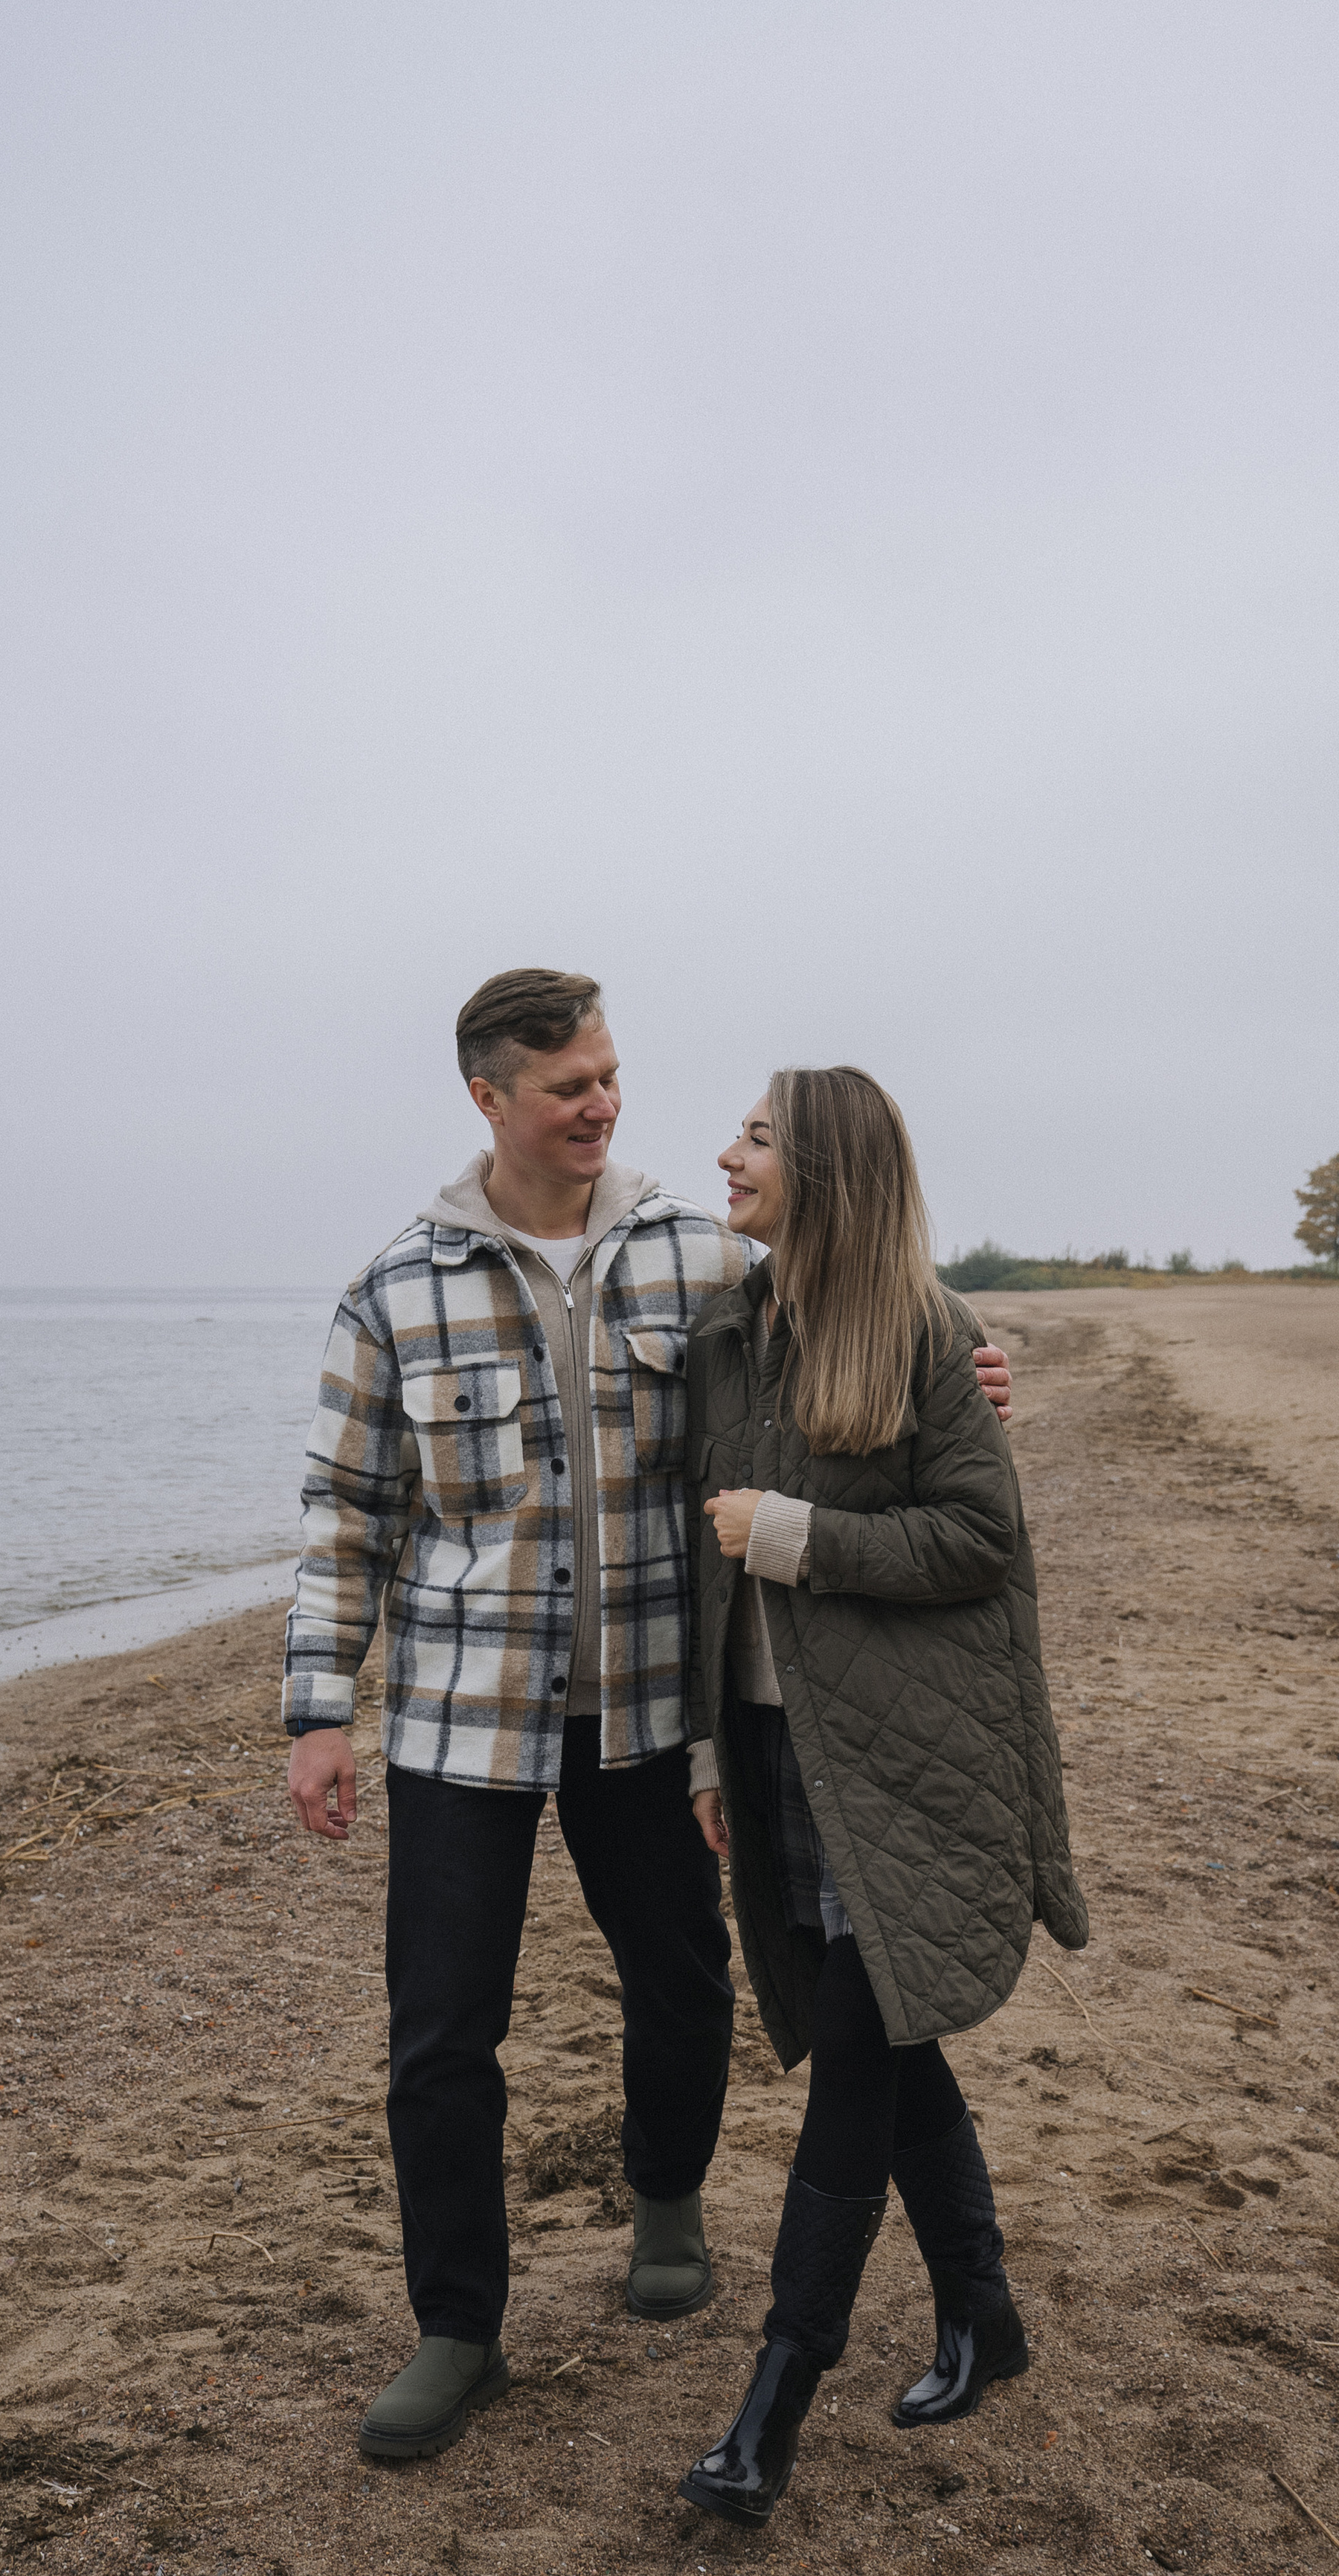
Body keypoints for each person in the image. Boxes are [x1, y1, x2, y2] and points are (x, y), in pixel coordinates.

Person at [283, 973, 1015, 2464]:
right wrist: (317, 1711)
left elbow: (854, 1324)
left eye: (608, 1074)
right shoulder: (394, 1288)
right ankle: (456, 2330)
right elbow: (346, 1512)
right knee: (439, 2036)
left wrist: (981, 1360)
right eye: (566, 1085)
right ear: (489, 1097)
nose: (601, 1102)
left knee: (683, 1986)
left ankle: (665, 2206)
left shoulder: (696, 1260)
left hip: (644, 1713)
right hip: (456, 1719)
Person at [678, 1064, 1086, 2529]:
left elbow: (978, 1535)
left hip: (905, 1763)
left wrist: (792, 1534)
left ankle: (774, 2400)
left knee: (856, 2049)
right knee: (892, 2028)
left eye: (757, 1138)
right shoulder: (724, 1335)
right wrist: (713, 1752)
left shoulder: (927, 1332)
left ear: (829, 1174)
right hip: (781, 1758)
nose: (724, 1154)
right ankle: (985, 2316)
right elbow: (699, 1580)